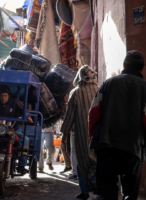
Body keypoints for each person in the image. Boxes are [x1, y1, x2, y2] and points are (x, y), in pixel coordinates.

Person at [89, 50, 146, 200]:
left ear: (124, 65)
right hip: (133, 150)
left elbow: (93, 114)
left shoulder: (107, 84)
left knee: (106, 192)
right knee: (130, 193)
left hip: (107, 146)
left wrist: (94, 137)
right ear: (141, 68)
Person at [61, 65, 98, 200]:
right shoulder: (99, 89)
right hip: (97, 133)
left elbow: (70, 115)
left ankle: (84, 191)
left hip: (81, 133)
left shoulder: (76, 92)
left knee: (82, 161)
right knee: (95, 158)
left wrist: (64, 134)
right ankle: (94, 182)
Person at [0, 85, 33, 173]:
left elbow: (24, 110)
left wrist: (28, 117)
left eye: (5, 95)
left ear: (9, 96)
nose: (3, 98)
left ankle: (22, 165)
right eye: (1, 96)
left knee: (25, 140)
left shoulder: (15, 102)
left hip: (13, 130)